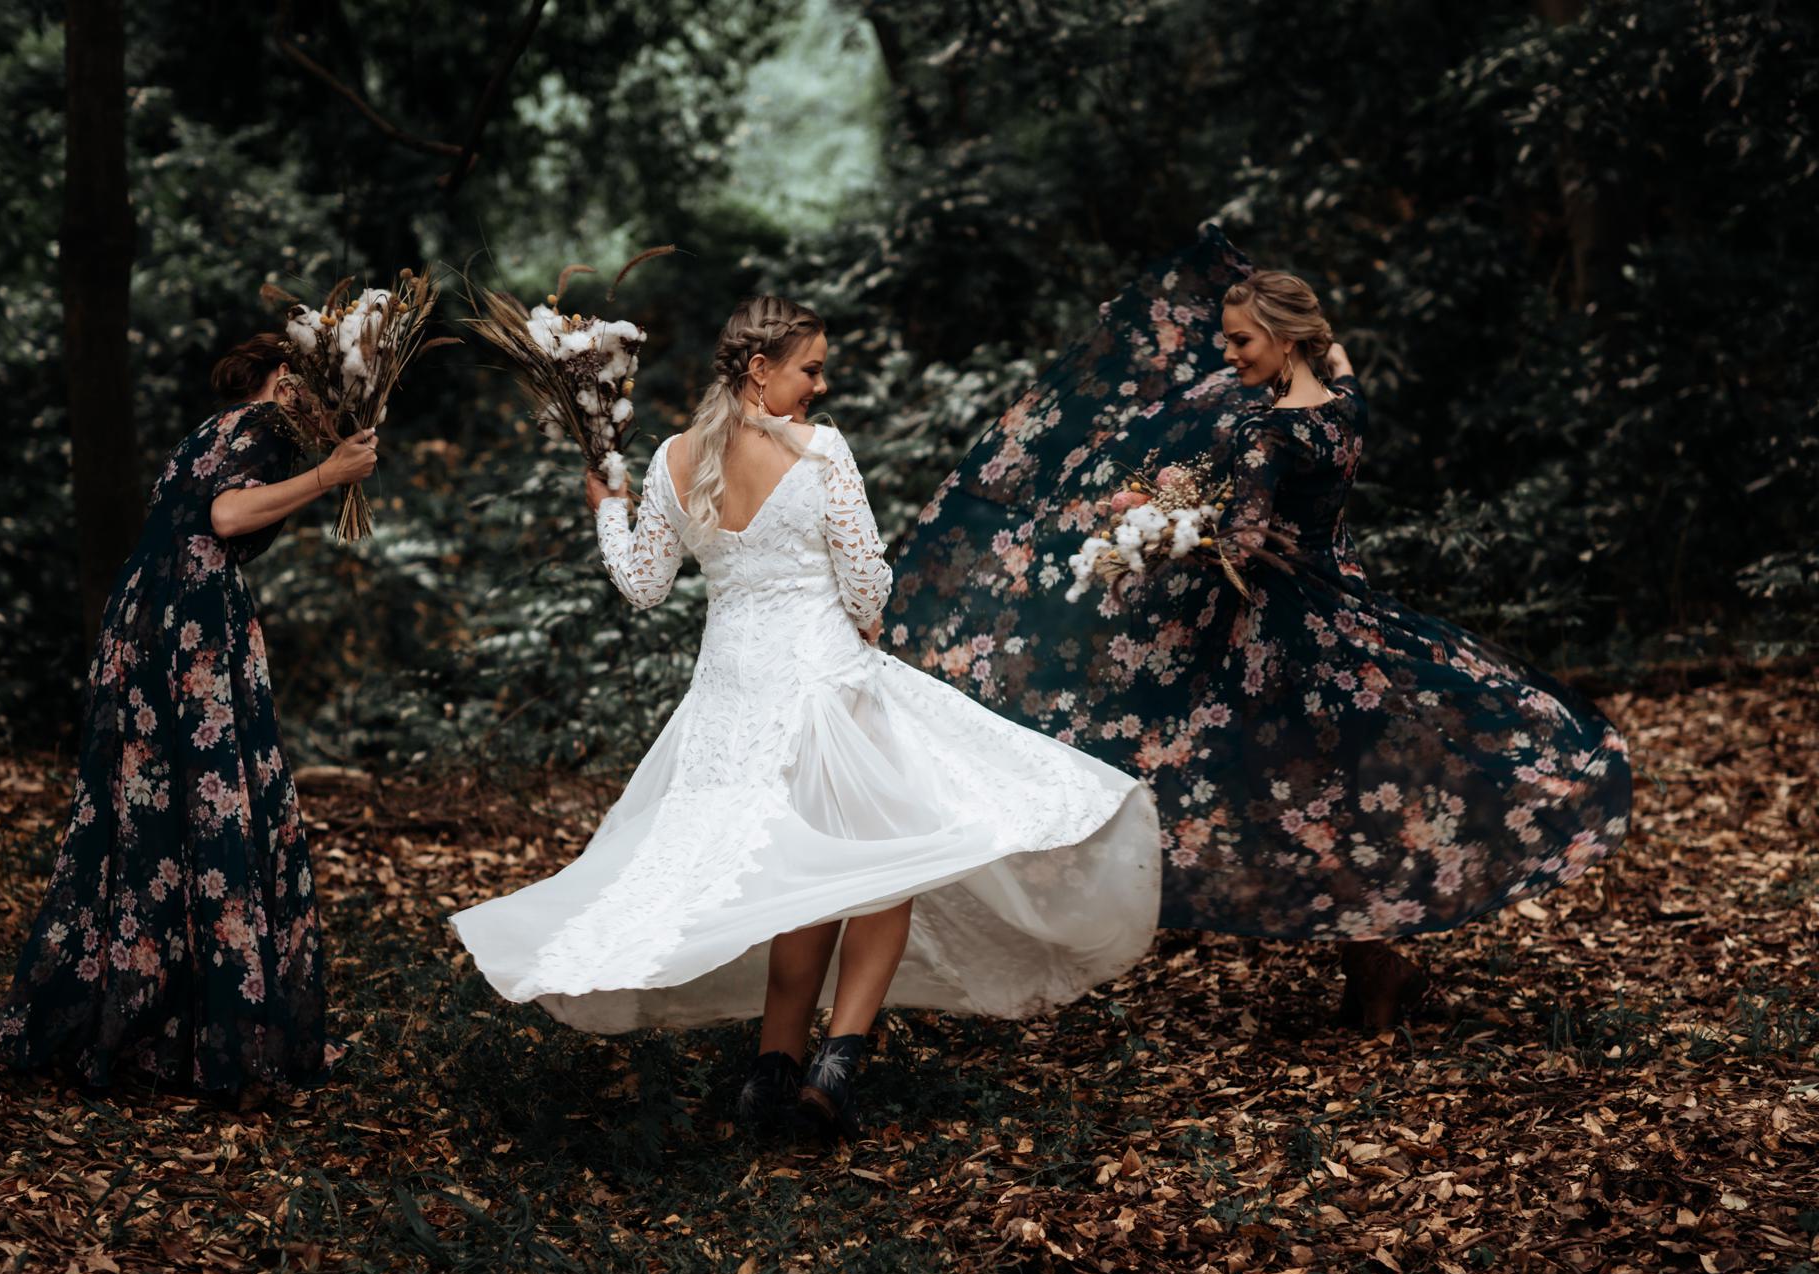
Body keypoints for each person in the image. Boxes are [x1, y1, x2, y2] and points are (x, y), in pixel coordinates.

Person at [451, 296, 1163, 1140]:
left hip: (731, 699)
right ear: (761, 370)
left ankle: (770, 1072)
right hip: (826, 686)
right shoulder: (820, 451)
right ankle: (838, 1060)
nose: (821, 386)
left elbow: (642, 586)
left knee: (802, 877)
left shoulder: (673, 460)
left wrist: (607, 504)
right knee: (883, 866)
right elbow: (865, 580)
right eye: (810, 368)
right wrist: (865, 613)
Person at [884, 227, 1633, 1030]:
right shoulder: (1346, 410)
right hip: (1346, 622)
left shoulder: (1265, 433)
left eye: (1242, 341)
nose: (1231, 356)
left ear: (1282, 339)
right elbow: (1339, 362)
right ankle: (1377, 970)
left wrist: (1164, 532)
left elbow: (1238, 542)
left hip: (1280, 645)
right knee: (1337, 796)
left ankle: (1365, 967)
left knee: (1259, 789)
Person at [0, 333, 377, 1096]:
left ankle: (148, 1021)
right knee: (215, 810)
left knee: (146, 817)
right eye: (319, 389)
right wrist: (331, 474)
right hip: (190, 630)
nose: (323, 407)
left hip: (145, 619)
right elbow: (225, 517)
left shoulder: (213, 427)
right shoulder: (259, 429)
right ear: (286, 376)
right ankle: (203, 1035)